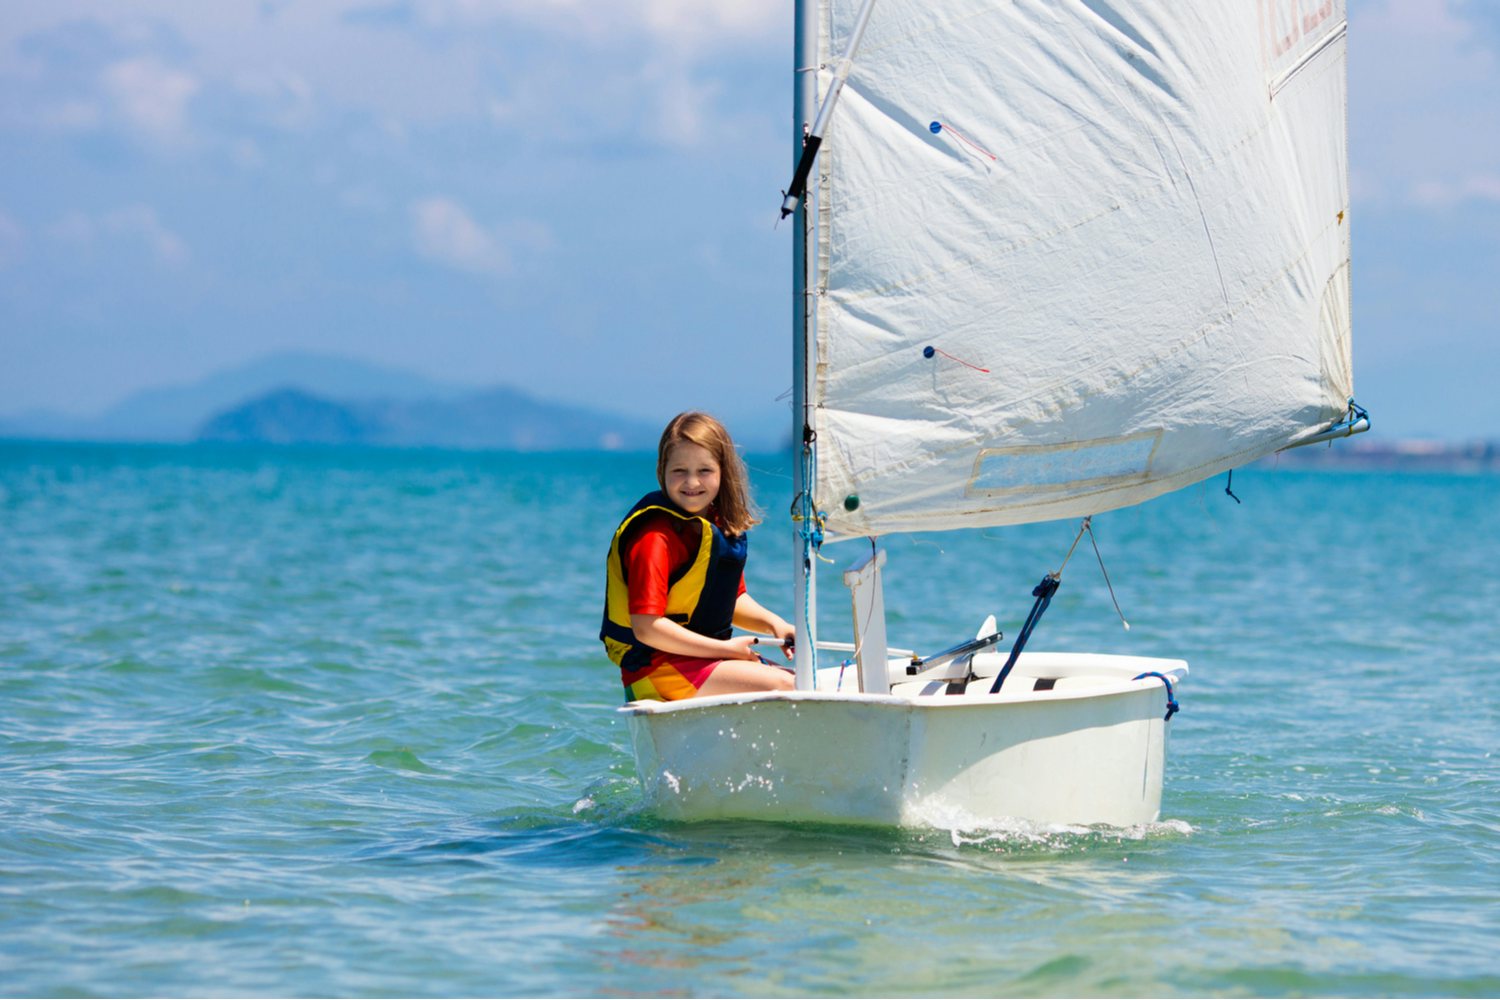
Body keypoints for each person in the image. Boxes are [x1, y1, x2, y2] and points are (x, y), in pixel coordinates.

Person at [602, 411, 796, 702]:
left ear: (723, 471)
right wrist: (726, 650)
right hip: (654, 668)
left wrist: (774, 624)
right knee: (786, 686)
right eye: (679, 471)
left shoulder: (716, 525)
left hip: (699, 659)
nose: (691, 482)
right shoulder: (655, 538)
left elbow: (731, 600)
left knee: (802, 680)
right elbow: (646, 627)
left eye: (704, 471)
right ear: (662, 471)